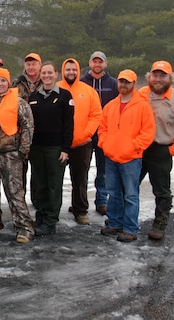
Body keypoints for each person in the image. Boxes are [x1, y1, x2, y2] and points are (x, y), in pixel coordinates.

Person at [138, 61, 174, 240]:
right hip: (139, 148)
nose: (158, 79)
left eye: (163, 75)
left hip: (161, 149)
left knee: (161, 190)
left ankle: (160, 223)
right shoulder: (141, 95)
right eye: (155, 75)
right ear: (149, 77)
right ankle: (125, 219)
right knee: (129, 185)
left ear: (170, 77)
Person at [0, 68, 35, 242]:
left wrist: (23, 150)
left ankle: (24, 228)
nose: (0, 84)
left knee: (15, 193)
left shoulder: (19, 103)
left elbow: (27, 127)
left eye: (3, 81)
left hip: (10, 154)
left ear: (8, 83)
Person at [98, 70, 155, 242]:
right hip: (111, 157)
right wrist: (106, 145)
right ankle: (115, 223)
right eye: (121, 81)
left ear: (134, 84)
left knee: (130, 195)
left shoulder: (143, 106)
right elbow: (103, 129)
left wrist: (133, 147)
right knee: (113, 193)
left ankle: (130, 228)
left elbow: (148, 132)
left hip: (131, 159)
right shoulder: (110, 106)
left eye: (127, 82)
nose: (123, 85)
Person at [28, 62, 74, 236]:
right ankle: (41, 215)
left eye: (50, 73)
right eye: (44, 73)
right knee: (40, 184)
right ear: (40, 75)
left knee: (54, 185)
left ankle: (50, 221)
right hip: (37, 148)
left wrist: (65, 149)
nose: (46, 76)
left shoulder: (64, 96)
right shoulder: (34, 96)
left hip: (55, 148)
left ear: (56, 74)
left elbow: (69, 125)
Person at [57, 58, 102, 225]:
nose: (71, 72)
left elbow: (96, 114)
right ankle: (53, 210)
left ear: (78, 70)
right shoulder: (55, 89)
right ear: (63, 71)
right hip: (60, 144)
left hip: (82, 144)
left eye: (73, 69)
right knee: (56, 180)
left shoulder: (88, 91)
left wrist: (87, 133)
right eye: (68, 69)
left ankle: (80, 210)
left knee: (80, 179)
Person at [80, 51, 118, 215]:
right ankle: (80, 201)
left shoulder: (114, 83)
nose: (97, 65)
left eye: (100, 62)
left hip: (106, 133)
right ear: (90, 63)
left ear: (105, 64)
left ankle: (102, 200)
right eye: (94, 62)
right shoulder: (82, 83)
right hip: (86, 132)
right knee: (83, 170)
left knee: (103, 170)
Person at [12, 52, 43, 203]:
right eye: (28, 64)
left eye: (34, 64)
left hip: (40, 134)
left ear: (39, 65)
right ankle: (20, 202)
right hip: (21, 134)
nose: (31, 67)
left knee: (38, 171)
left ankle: (37, 201)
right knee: (20, 172)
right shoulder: (16, 83)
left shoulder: (46, 81)